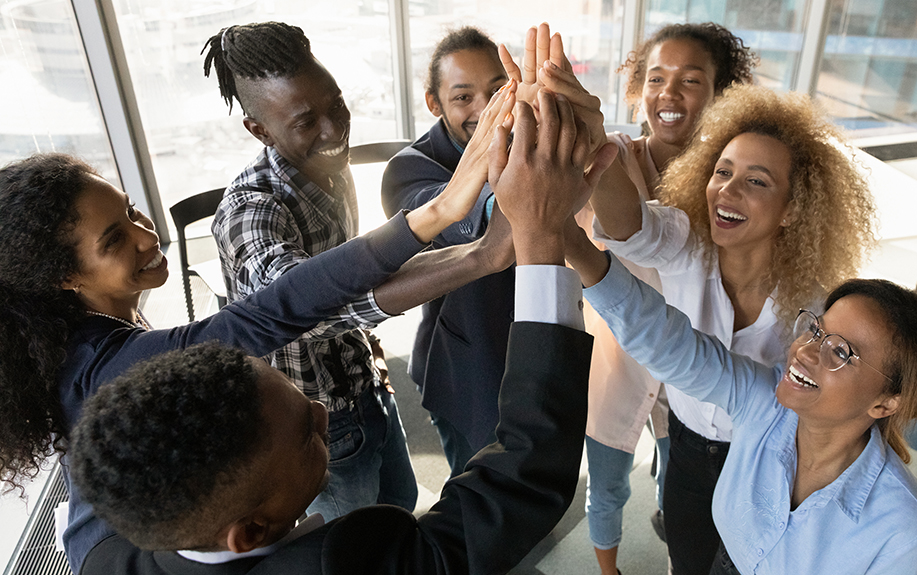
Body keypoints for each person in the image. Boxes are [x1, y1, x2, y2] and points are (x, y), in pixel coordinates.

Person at [70, 87, 619, 575]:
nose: (320, 413)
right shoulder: (350, 558)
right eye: (309, 435)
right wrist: (541, 239)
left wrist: (479, 248)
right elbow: (522, 480)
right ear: (250, 533)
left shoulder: (109, 549)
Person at [0, 143, 510, 573]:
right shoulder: (99, 362)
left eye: (132, 211)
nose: (146, 234)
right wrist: (438, 214)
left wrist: (482, 254)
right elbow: (266, 315)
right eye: (115, 240)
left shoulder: (96, 321)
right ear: (63, 277)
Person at [202, 22, 512, 516]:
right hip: (315, 424)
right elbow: (310, 306)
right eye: (307, 123)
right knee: (354, 546)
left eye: (337, 107)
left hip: (365, 388)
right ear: (259, 130)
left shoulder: (327, 165)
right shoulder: (251, 212)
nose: (334, 131)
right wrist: (480, 255)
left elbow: (355, 272)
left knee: (400, 510)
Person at [587, 83, 877, 574]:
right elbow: (627, 224)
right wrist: (591, 136)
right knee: (688, 560)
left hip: (768, 461)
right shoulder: (684, 243)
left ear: (794, 209)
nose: (727, 189)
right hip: (684, 449)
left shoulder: (818, 305)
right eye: (722, 171)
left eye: (757, 181)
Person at [563, 227, 917, 573]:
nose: (806, 351)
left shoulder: (903, 529)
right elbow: (670, 344)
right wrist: (572, 242)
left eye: (841, 353)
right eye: (817, 331)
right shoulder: (764, 404)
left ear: (885, 404)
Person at [577, 23, 756, 575]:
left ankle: (675, 539)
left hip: (693, 366)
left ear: (722, 93)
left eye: (691, 80)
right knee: (606, 483)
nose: (669, 93)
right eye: (656, 78)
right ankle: (609, 571)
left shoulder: (731, 178)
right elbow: (620, 230)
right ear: (637, 88)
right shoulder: (609, 162)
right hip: (616, 360)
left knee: (677, 476)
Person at [380, 26, 513, 476]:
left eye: (498, 90)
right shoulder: (410, 170)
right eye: (463, 97)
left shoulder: (527, 140)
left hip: (533, 350)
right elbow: (452, 215)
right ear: (434, 103)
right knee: (471, 496)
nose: (486, 109)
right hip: (467, 365)